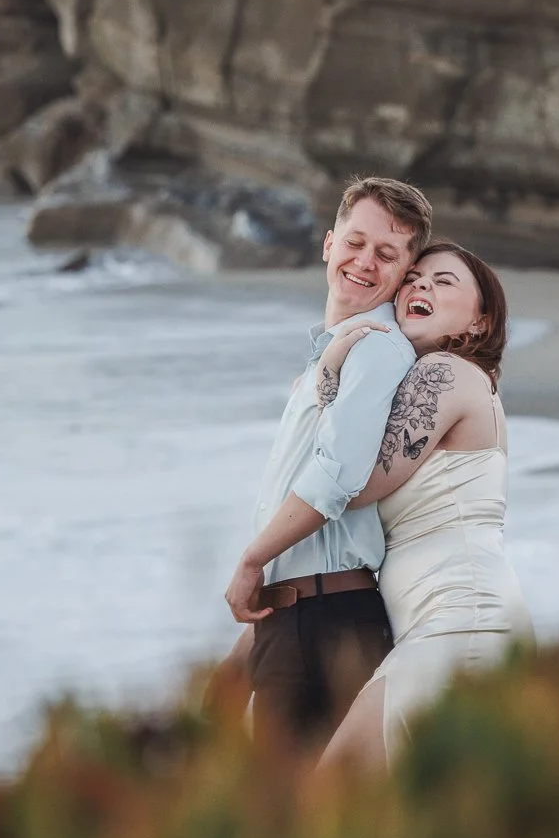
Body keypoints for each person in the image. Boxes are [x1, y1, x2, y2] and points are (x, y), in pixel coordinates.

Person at [224, 177, 434, 743]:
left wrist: (251, 561)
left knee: (288, 814)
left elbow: (336, 477)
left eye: (387, 254)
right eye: (355, 242)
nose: (365, 262)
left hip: (325, 621)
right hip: (300, 611)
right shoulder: (338, 352)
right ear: (328, 243)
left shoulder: (377, 347)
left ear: (404, 273)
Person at [307, 242, 530, 770]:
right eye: (413, 277)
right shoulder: (462, 382)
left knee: (330, 802)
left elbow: (350, 483)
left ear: (480, 323)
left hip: (456, 625)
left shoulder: (444, 374)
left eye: (444, 281)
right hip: (463, 620)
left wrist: (331, 364)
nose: (420, 285)